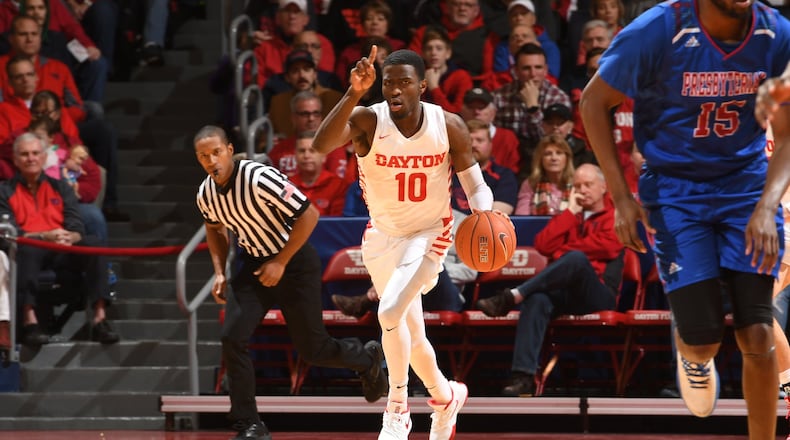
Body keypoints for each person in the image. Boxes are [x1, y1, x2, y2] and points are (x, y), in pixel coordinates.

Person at [581, 1, 790, 437]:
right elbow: (593, 101)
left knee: (757, 331)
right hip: (676, 192)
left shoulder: (776, 33)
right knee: (706, 337)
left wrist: (769, 205)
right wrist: (621, 198)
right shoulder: (658, 29)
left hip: (747, 190)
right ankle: (692, 357)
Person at [313, 46, 496, 439]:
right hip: (382, 236)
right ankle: (446, 398)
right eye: (388, 83)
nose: (395, 90)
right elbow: (320, 145)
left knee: (388, 313)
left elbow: (476, 187)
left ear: (422, 87)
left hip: (430, 233)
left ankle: (397, 408)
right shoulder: (366, 118)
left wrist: (486, 215)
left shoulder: (448, 125)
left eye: (404, 83)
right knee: (411, 337)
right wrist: (352, 93)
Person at [193, 125, 387, 440]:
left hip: (294, 261)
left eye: (216, 152)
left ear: (229, 150)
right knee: (232, 338)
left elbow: (308, 215)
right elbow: (214, 229)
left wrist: (280, 262)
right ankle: (249, 424)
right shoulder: (206, 194)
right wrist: (219, 272)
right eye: (203, 156)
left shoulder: (259, 178)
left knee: (313, 349)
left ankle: (366, 359)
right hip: (253, 265)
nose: (211, 160)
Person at [477, 163, 622, 398]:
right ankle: (522, 378)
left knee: (575, 259)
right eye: (577, 186)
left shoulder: (615, 215)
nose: (582, 191)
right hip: (565, 293)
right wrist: (569, 214)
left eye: (588, 185)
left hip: (599, 292)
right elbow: (543, 245)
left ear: (603, 186)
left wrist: (563, 252)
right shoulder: (570, 215)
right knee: (537, 299)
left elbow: (607, 246)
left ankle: (512, 296)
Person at [0, 132, 118, 346]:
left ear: (45, 158)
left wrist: (70, 236)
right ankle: (30, 322)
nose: (31, 158)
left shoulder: (61, 187)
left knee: (94, 244)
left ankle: (100, 318)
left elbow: (76, 225)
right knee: (26, 248)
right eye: (24, 154)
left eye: (36, 153)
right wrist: (43, 236)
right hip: (28, 249)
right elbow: (8, 233)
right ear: (16, 160)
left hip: (61, 247)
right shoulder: (4, 191)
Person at [451, 119, 518, 215]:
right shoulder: (447, 172)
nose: (473, 145)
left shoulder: (504, 176)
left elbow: (497, 215)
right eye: (469, 140)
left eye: (479, 140)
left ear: (490, 145)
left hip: (484, 228)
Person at [289, 131, 348, 216]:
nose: (306, 155)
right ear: (295, 155)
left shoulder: (338, 185)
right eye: (302, 151)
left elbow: (337, 222)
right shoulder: (287, 184)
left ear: (324, 156)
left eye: (312, 151)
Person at [515, 134, 574, 215]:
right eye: (548, 154)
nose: (554, 158)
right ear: (540, 159)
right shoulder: (531, 184)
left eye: (559, 153)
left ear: (567, 158)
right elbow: (522, 216)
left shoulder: (577, 185)